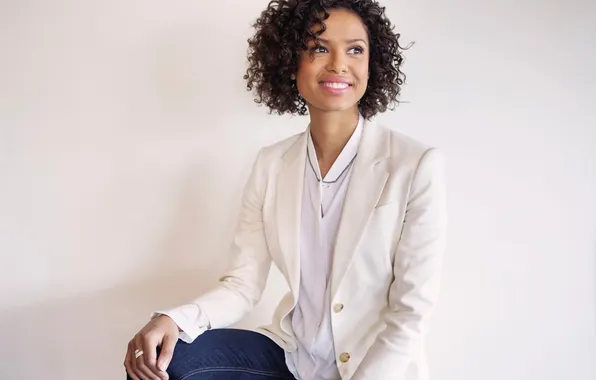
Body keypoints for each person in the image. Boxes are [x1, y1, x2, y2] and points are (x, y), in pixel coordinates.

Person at [124, 0, 447, 379]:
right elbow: (242, 285)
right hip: (292, 360)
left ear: (372, 64)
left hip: (371, 368)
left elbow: (410, 313)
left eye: (355, 50)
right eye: (319, 48)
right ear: (290, 61)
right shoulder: (271, 164)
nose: (339, 64)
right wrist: (174, 320)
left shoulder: (415, 164)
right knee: (159, 358)